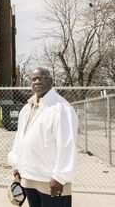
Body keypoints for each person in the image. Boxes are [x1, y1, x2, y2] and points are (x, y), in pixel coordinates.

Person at [8, 67, 78, 207]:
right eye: (34, 79)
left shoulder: (60, 107)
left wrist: (60, 177)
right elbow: (20, 139)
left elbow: (67, 144)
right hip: (29, 177)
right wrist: (17, 164)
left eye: (42, 77)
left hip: (51, 181)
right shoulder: (27, 108)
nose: (37, 81)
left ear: (51, 81)